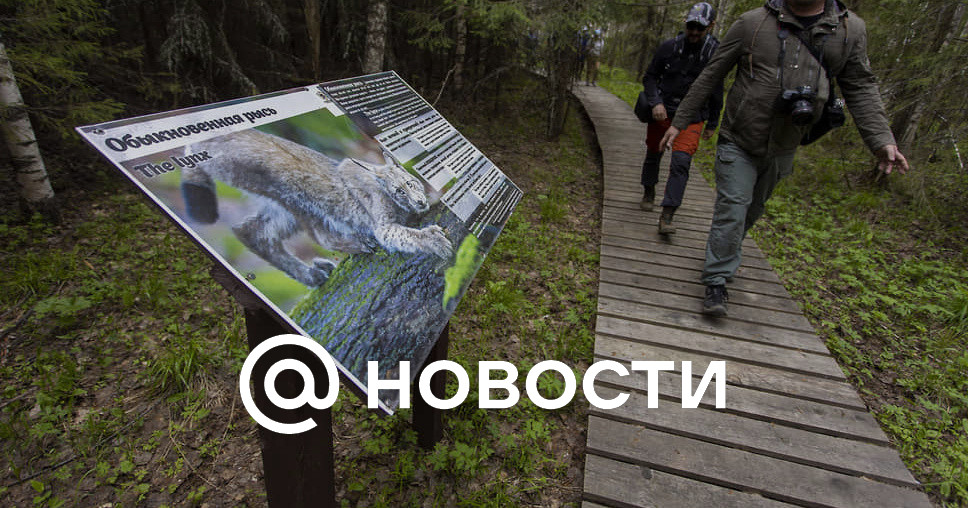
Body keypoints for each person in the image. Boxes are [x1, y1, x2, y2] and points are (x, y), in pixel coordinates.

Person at [659, 0, 909, 317]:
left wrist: (881, 139)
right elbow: (712, 74)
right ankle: (716, 281)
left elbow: (860, 85)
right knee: (733, 207)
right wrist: (680, 121)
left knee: (751, 210)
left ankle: (723, 252)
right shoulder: (752, 24)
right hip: (739, 136)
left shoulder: (849, 31)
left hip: (786, 143)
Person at [640, 2, 724, 235]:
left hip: (693, 117)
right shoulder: (669, 47)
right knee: (653, 153)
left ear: (711, 26)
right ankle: (648, 190)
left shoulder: (715, 54)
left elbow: (717, 89)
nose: (694, 32)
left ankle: (667, 215)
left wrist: (713, 122)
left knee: (681, 162)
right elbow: (650, 77)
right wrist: (655, 101)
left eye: (700, 28)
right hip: (663, 111)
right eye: (691, 26)